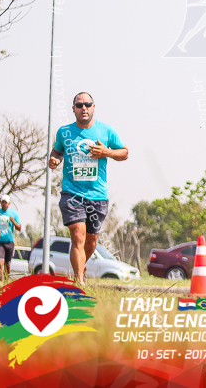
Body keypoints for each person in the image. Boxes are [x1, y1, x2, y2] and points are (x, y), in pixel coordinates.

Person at [48, 92, 128, 283]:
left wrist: (107, 152)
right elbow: (57, 152)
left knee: (91, 241)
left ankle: (81, 266)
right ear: (73, 109)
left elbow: (124, 153)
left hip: (97, 195)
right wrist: (54, 160)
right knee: (77, 235)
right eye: (79, 105)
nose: (83, 108)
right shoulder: (64, 132)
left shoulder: (106, 131)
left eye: (87, 104)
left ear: (93, 107)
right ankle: (79, 281)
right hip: (72, 193)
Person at [0, 194, 22, 281]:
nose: (4, 204)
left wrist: (13, 222)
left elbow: (19, 228)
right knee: (0, 262)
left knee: (7, 264)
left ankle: (6, 281)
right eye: (2, 202)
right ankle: (0, 282)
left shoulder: (13, 213)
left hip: (9, 241)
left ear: (8, 203)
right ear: (1, 203)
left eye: (6, 202)